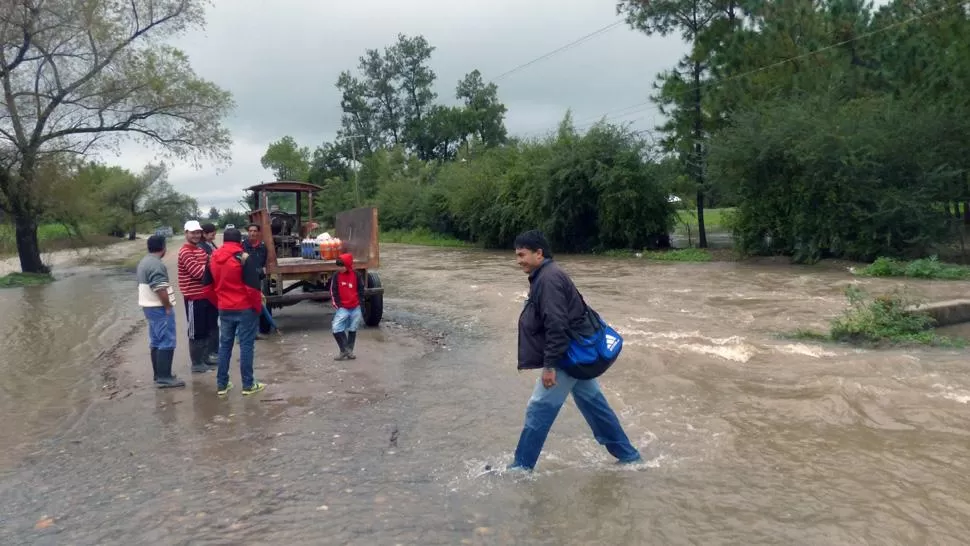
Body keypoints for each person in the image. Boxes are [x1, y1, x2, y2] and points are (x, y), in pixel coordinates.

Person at [508, 230, 642, 471]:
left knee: (538, 409)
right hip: (575, 357)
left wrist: (549, 366)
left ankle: (520, 469)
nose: (518, 261)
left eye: (522, 255)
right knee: (596, 407)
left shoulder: (548, 279)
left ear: (539, 253)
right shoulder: (547, 274)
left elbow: (556, 325)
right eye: (517, 255)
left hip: (566, 359)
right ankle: (629, 457)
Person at [209, 228, 266, 396]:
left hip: (224, 308)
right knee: (246, 346)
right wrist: (257, 307)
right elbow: (252, 288)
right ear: (239, 241)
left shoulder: (213, 257)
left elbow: (207, 286)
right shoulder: (243, 258)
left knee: (225, 346)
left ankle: (222, 385)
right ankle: (248, 385)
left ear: (224, 240)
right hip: (244, 308)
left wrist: (218, 302)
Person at [136, 235, 185, 388]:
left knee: (156, 340)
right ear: (163, 247)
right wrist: (168, 306)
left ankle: (159, 374)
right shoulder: (156, 265)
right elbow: (160, 288)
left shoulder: (144, 262)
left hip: (148, 307)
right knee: (167, 340)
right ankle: (164, 377)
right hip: (158, 306)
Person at [177, 220, 218, 374]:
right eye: (192, 232)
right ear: (186, 233)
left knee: (207, 329)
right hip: (194, 297)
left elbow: (211, 264)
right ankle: (197, 363)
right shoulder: (185, 251)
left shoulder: (199, 250)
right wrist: (210, 267)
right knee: (195, 331)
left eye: (198, 232)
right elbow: (198, 273)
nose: (195, 235)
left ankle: (205, 358)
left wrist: (210, 266)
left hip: (205, 295)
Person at [328, 252, 364, 360]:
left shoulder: (356, 275)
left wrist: (360, 304)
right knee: (336, 328)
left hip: (355, 307)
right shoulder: (336, 276)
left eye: (341, 266)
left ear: (348, 265)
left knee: (352, 329)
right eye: (338, 266)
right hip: (343, 307)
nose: (339, 268)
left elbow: (361, 290)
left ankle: (349, 351)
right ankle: (344, 350)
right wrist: (338, 305)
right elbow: (333, 291)